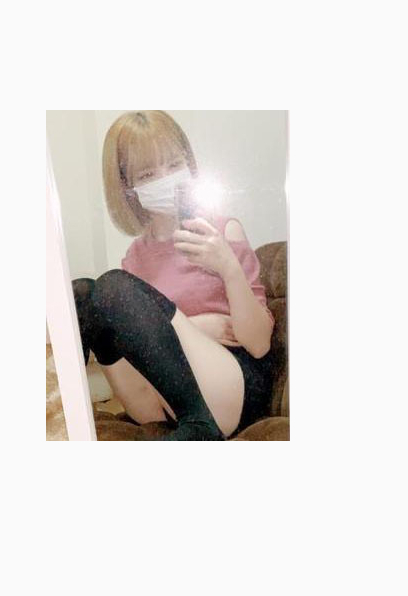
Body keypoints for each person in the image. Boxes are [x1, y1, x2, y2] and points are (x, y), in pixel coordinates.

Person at [73, 110, 275, 441]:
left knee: (111, 286)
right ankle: (66, 415)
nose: (166, 179)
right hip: (161, 401)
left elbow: (259, 343)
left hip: (230, 390)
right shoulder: (134, 259)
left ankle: (200, 428)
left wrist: (228, 267)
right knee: (82, 293)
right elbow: (143, 351)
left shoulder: (222, 231)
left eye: (174, 164)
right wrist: (196, 326)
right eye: (148, 174)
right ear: (127, 188)